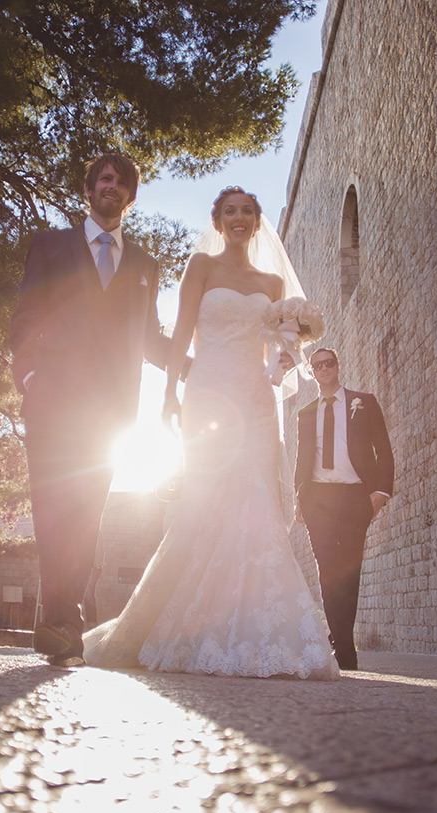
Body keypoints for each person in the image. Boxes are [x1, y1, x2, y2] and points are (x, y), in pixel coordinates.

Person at [83, 187, 339, 680]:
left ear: (257, 221)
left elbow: (276, 351)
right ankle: (190, 625)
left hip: (256, 401)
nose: (238, 218)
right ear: (217, 221)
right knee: (205, 505)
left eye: (247, 211)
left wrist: (285, 357)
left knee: (257, 502)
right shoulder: (201, 267)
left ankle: (262, 630)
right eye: (229, 212)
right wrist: (169, 396)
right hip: (207, 394)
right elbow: (181, 334)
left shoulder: (272, 279)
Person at [9, 154, 175, 666]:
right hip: (53, 398)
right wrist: (29, 376)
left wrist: (204, 362)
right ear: (90, 189)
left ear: (130, 197)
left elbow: (151, 340)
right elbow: (25, 316)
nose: (112, 186)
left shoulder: (145, 265)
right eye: (104, 178)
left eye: (122, 182)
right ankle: (61, 619)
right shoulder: (52, 244)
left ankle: (59, 621)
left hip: (110, 414)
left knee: (86, 514)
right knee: (52, 506)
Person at [294, 347, 394, 671]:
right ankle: (344, 648)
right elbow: (302, 459)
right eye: (317, 365)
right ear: (312, 372)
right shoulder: (306, 413)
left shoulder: (364, 402)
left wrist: (380, 492)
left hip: (354, 496)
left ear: (338, 366)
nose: (323, 368)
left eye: (329, 363)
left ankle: (340, 640)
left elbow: (384, 449)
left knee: (349, 573)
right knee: (327, 571)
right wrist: (299, 498)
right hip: (317, 498)